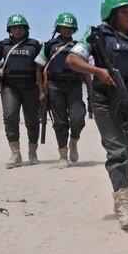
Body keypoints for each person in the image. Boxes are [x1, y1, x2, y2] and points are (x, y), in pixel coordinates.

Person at [67, 0, 128, 230]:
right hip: (105, 100)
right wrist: (97, 72)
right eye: (124, 12)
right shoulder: (96, 35)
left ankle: (120, 195)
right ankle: (124, 205)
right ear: (112, 14)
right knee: (117, 151)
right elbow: (72, 60)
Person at [0, 14, 43, 168]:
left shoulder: (36, 45)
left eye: (20, 27)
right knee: (10, 117)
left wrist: (43, 89)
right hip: (10, 87)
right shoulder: (1, 45)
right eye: (14, 27)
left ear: (26, 29)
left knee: (32, 120)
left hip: (31, 87)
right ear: (9, 29)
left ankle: (32, 152)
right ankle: (15, 153)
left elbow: (43, 66)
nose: (17, 29)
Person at [35, 12, 88, 168]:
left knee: (78, 119)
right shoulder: (49, 45)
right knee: (60, 123)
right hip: (55, 86)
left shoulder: (79, 47)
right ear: (58, 28)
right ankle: (63, 155)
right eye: (64, 27)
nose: (67, 30)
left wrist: (91, 91)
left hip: (74, 86)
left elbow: (85, 70)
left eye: (70, 28)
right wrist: (41, 91)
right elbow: (39, 69)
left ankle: (74, 141)